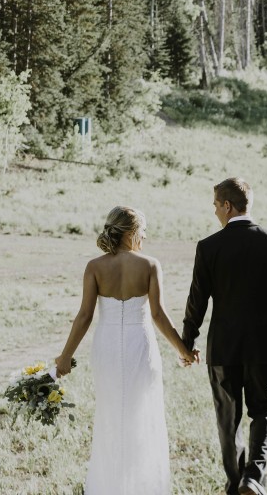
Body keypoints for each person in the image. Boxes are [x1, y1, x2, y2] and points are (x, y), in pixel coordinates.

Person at [55, 206, 195, 494]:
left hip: (106, 347)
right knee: (142, 415)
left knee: (110, 415)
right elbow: (158, 314)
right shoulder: (150, 265)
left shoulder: (95, 266)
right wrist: (183, 350)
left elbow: (85, 315)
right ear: (131, 233)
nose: (145, 237)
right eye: (142, 231)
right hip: (140, 346)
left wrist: (65, 356)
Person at [181, 178, 267, 495]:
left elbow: (196, 301)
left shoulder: (209, 247)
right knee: (264, 411)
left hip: (224, 348)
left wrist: (187, 342)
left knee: (228, 419)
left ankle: (237, 485)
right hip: (265, 345)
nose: (214, 212)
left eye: (215, 206)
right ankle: (254, 477)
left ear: (227, 206)